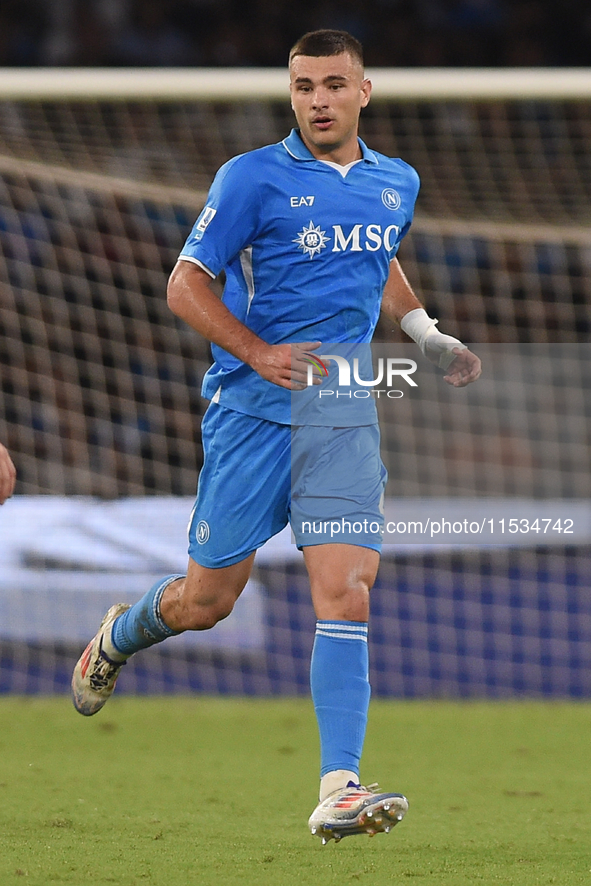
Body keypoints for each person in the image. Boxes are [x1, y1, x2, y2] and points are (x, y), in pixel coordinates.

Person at [72, 29, 481, 843]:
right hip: (250, 416)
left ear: (364, 92)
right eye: (303, 87)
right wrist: (257, 352)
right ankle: (120, 635)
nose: (318, 100)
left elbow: (381, 256)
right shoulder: (251, 177)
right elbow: (184, 284)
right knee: (205, 602)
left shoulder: (395, 181)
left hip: (342, 415)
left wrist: (426, 332)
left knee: (347, 592)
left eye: (334, 84)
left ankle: (338, 786)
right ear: (290, 94)